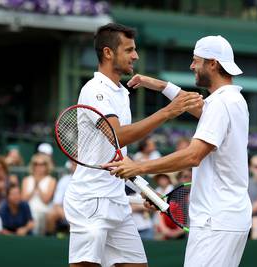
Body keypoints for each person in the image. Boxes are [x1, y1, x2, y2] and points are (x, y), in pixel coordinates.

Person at [106, 35, 252, 267]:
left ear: (212, 64)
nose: (192, 66)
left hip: (215, 222)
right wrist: (158, 85)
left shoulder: (222, 104)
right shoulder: (233, 100)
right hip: (227, 218)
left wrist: (138, 166)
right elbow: (195, 106)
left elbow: (193, 156)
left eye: (196, 60)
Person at [63, 23, 202, 267]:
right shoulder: (94, 90)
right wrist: (167, 112)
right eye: (129, 50)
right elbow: (119, 137)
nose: (135, 56)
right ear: (108, 53)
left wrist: (145, 193)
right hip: (89, 201)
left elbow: (119, 157)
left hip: (116, 200)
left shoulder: (121, 92)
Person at [21, 153, 56, 235]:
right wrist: (34, 187)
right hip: (28, 212)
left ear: (46, 166)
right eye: (35, 164)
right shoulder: (26, 180)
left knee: (39, 217)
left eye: (42, 164)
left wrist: (38, 185)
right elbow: (24, 200)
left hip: (43, 211)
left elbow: (46, 200)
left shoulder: (51, 180)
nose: (38, 167)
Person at [45, 160, 76, 235]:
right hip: (66, 212)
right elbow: (57, 204)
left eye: (77, 165)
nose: (75, 167)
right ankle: (51, 240)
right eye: (73, 164)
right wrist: (68, 217)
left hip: (83, 213)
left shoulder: (88, 180)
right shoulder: (64, 180)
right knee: (50, 215)